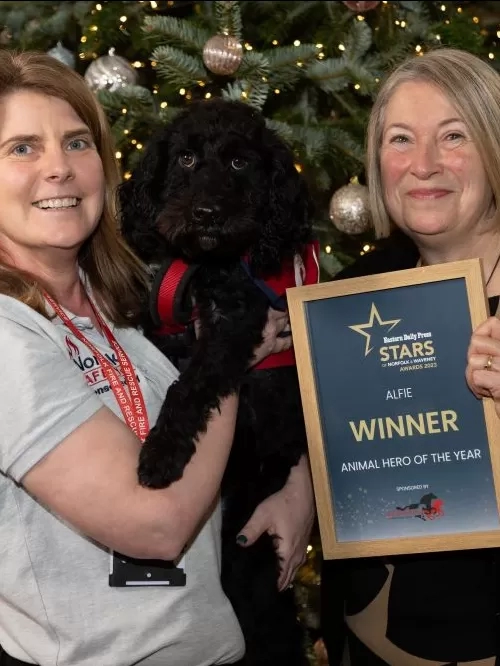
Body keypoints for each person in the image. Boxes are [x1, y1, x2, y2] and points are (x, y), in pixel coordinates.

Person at [0, 49, 315, 666]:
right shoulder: (8, 336)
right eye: (22, 148)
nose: (59, 169)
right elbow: (157, 525)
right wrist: (232, 352)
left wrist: (299, 484)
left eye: (77, 142)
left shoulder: (126, 305)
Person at [321, 47, 500, 665]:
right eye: (401, 139)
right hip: (377, 631)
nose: (422, 165)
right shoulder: (352, 294)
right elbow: (329, 440)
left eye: (454, 136)